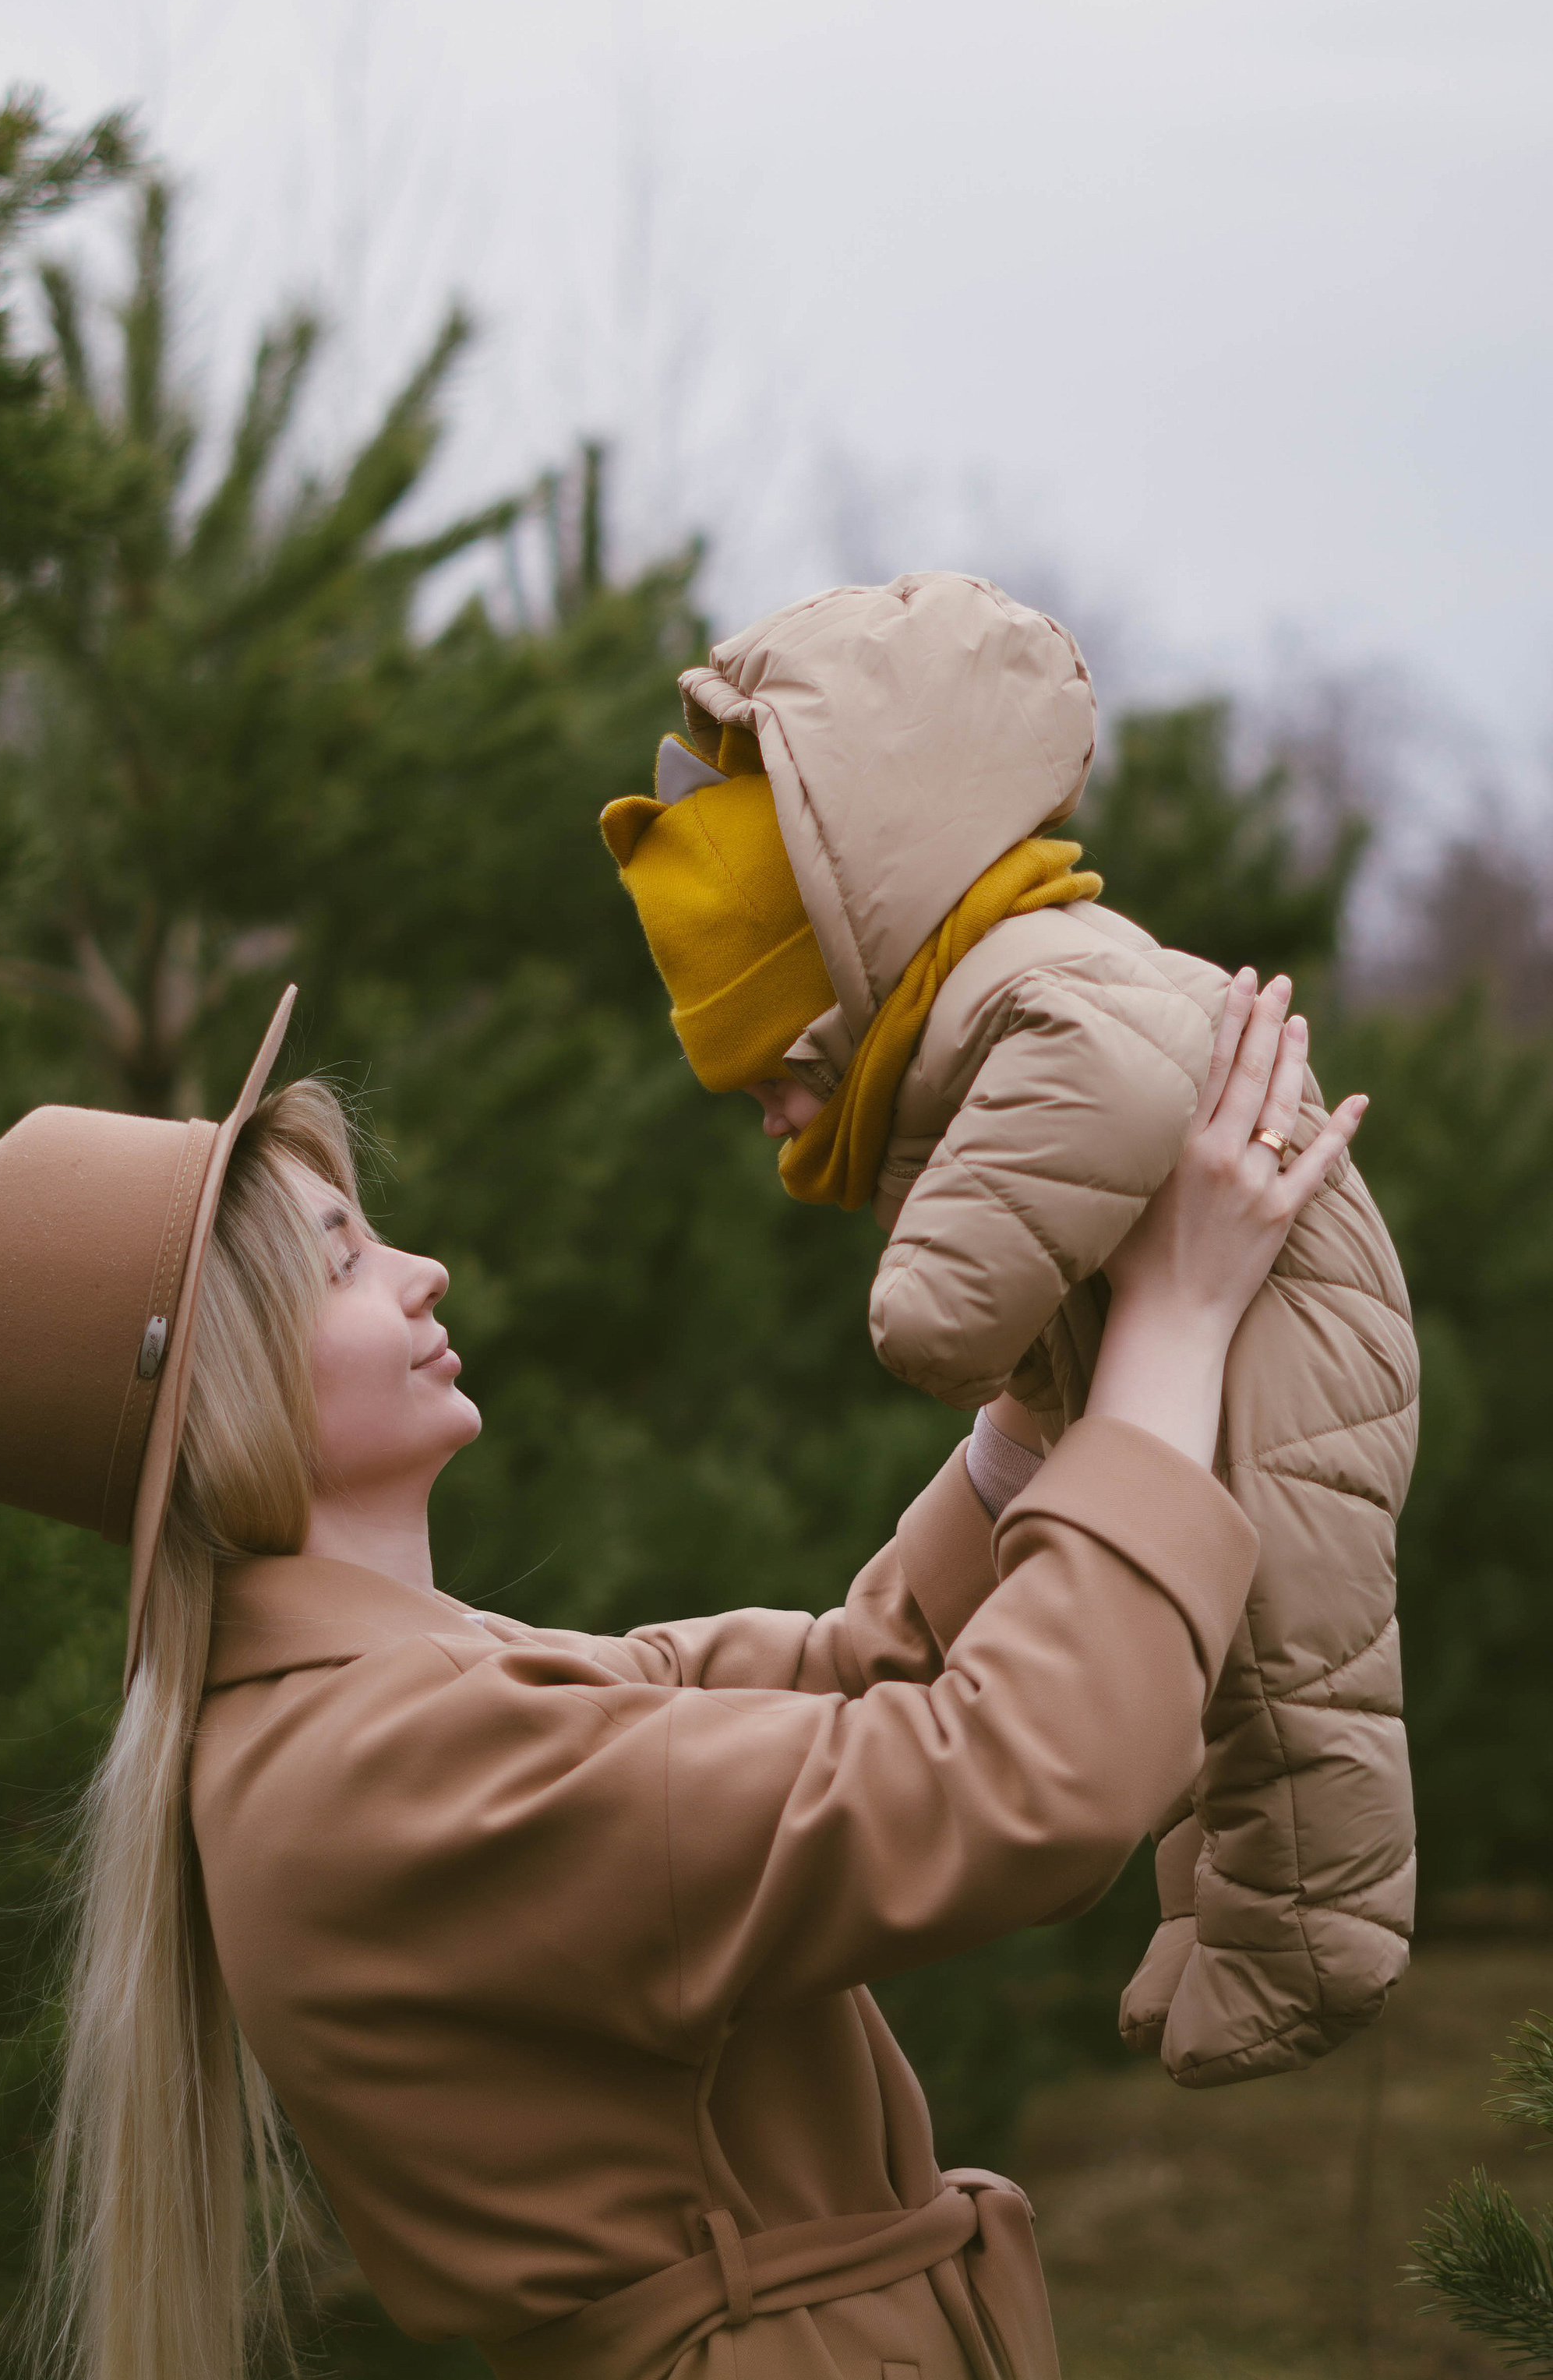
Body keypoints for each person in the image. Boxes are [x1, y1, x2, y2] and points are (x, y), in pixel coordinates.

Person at [0, 965, 1362, 2380]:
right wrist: (1173, 1336)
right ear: (216, 1383)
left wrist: (1043, 1396)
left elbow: (861, 1672)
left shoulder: (404, 1700)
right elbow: (1008, 1783)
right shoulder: (374, 1767)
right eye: (346, 1259)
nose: (421, 1268)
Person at [600, 573, 1418, 2090]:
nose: (776, 1117)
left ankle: (1315, 1945)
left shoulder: (1025, 984)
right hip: (1203, 1336)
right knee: (1186, 1651)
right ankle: (1212, 1921)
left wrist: (934, 1304)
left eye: (773, 1067)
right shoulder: (974, 1000)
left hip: (1290, 1346)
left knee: (1290, 1667)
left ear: (847, 977)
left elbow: (1109, 1083)